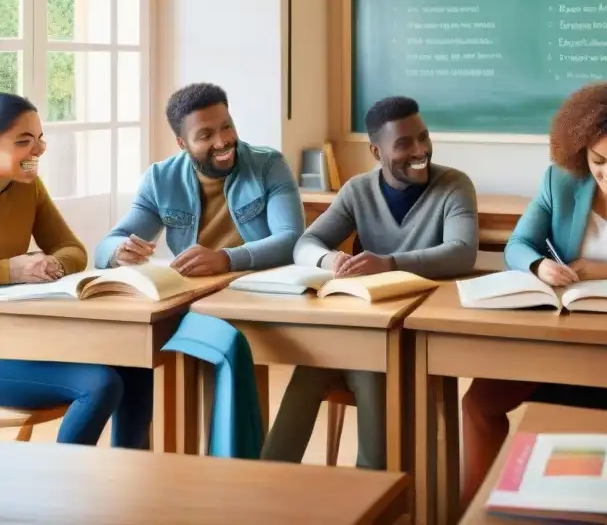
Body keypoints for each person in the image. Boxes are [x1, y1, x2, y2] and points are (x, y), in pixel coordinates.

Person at [460, 82, 607, 506]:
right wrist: (538, 265)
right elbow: (517, 245)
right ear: (580, 152)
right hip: (557, 336)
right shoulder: (559, 182)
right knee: (478, 404)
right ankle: (472, 512)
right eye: (598, 161)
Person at [262, 96, 479, 468]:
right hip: (360, 325)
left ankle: (373, 491)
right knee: (309, 368)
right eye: (404, 143)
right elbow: (306, 243)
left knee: (369, 368)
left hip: (412, 335)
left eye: (423, 137)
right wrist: (331, 259)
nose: (420, 150)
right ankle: (267, 485)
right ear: (376, 152)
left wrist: (389, 263)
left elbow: (461, 252)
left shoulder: (454, 185)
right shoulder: (357, 191)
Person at [0, 93, 151, 447]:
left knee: (135, 363)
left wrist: (49, 263)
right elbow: (13, 270)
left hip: (21, 335)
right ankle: (61, 492)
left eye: (40, 139)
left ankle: (132, 481)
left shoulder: (29, 187)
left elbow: (74, 250)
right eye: (24, 141)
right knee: (100, 384)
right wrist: (11, 270)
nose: (38, 150)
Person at [94, 82, 304, 273]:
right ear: (182, 143)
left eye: (227, 127)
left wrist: (226, 259)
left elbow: (290, 238)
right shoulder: (160, 179)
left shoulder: (269, 165)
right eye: (205, 135)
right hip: (194, 295)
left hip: (261, 287)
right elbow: (106, 245)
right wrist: (119, 252)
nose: (222, 142)